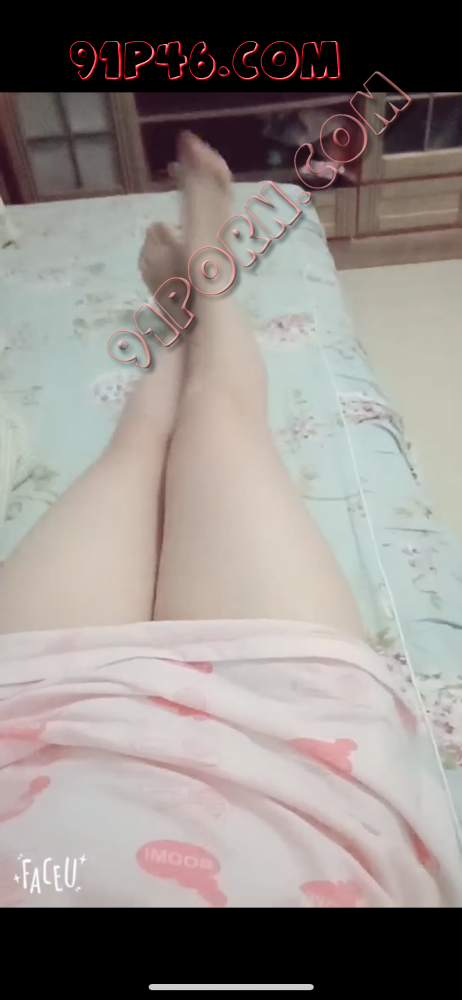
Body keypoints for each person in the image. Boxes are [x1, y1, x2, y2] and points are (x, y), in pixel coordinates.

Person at [0, 133, 460, 908]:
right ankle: (201, 289)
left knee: (138, 451)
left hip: (28, 716)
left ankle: (188, 300)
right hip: (290, 754)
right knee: (218, 419)